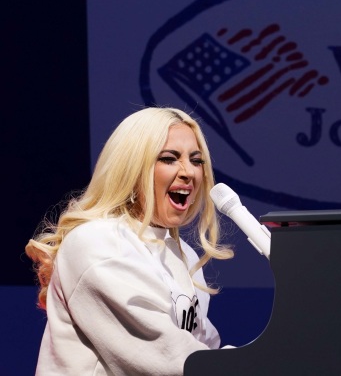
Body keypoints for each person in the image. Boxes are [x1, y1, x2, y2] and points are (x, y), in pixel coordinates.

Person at [25, 107, 234, 375]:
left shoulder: (185, 256)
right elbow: (166, 358)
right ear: (132, 168)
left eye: (196, 160)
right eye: (169, 158)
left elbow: (201, 347)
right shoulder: (98, 242)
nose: (188, 172)